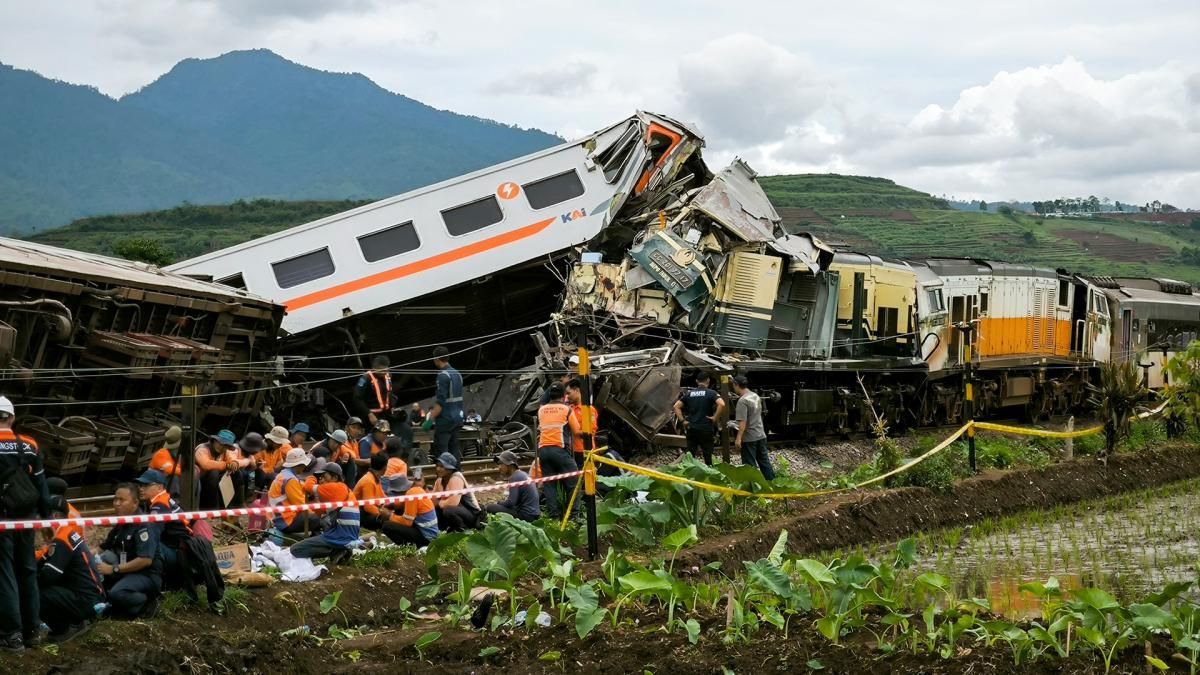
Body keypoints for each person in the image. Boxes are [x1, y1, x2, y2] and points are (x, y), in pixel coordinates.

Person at [0, 394, 51, 651]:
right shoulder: (29, 445)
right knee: (27, 569)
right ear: (12, 417)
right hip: (26, 517)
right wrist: (48, 522)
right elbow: (42, 487)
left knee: (4, 572)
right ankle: (32, 630)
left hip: (2, 519)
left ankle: (11, 634)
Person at [37, 495, 104, 643]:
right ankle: (73, 621)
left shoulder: (62, 538)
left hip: (87, 600)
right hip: (89, 596)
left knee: (37, 593)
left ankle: (65, 628)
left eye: (42, 515)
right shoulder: (66, 532)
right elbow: (44, 559)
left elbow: (49, 576)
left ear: (53, 516)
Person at [97, 484, 162, 619]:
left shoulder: (143, 525)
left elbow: (145, 560)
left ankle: (147, 603)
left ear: (135, 503)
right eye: (115, 499)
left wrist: (113, 569)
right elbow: (104, 546)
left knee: (116, 594)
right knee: (101, 564)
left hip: (145, 575)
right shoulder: (123, 521)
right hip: (126, 570)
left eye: (122, 500)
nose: (116, 504)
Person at [291, 463, 360, 563]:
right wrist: (312, 500)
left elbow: (308, 486)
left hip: (339, 535)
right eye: (320, 477)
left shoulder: (335, 487)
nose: (321, 480)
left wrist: (312, 476)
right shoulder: (343, 490)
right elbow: (321, 513)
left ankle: (336, 551)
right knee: (321, 522)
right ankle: (339, 550)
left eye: (324, 476)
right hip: (346, 534)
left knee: (295, 549)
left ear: (335, 477)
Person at [536, 382, 580, 519]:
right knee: (573, 482)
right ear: (563, 395)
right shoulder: (566, 409)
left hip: (543, 451)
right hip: (559, 450)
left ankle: (554, 517)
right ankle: (573, 516)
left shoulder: (541, 410)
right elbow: (577, 431)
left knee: (549, 486)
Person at [673, 373, 727, 466]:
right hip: (705, 428)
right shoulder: (711, 393)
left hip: (692, 428)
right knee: (707, 454)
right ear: (708, 381)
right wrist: (715, 417)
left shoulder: (689, 394)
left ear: (697, 381)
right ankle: (709, 473)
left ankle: (690, 475)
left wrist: (683, 421)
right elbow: (722, 404)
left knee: (690, 455)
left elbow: (676, 406)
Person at [423, 345, 465, 462]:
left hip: (446, 419)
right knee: (454, 450)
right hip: (457, 418)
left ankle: (444, 479)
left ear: (436, 359)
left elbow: (440, 402)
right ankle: (457, 474)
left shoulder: (443, 375)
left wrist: (429, 420)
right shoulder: (457, 374)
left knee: (442, 452)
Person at [267, 448, 322, 538]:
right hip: (286, 521)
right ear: (298, 465)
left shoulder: (283, 475)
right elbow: (301, 505)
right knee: (317, 519)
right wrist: (316, 513)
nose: (305, 467)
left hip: (278, 517)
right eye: (303, 465)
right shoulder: (291, 480)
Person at [733, 375, 775, 480]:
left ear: (737, 385)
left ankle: (753, 488)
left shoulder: (742, 401)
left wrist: (738, 438)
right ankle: (772, 484)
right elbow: (754, 415)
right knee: (764, 462)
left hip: (749, 438)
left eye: (734, 385)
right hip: (761, 435)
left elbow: (743, 422)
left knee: (749, 466)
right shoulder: (755, 396)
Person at [380, 472, 439, 547]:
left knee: (387, 526)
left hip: (427, 537)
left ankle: (407, 546)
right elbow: (402, 504)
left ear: (400, 491)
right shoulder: (414, 490)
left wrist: (389, 515)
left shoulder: (411, 494)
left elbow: (407, 522)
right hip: (428, 533)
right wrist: (392, 505)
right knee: (399, 511)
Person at [194, 429, 250, 509]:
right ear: (215, 440)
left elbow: (232, 460)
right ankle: (211, 509)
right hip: (199, 481)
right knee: (213, 473)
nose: (222, 447)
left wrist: (234, 463)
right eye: (220, 443)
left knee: (236, 473)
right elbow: (206, 464)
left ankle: (236, 505)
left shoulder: (225, 451)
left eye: (226, 446)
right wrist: (226, 465)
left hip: (214, 481)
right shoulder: (202, 449)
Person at [431, 453, 481, 532]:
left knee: (448, 510)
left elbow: (453, 503)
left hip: (471, 513)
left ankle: (463, 529)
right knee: (434, 510)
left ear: (450, 468)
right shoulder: (439, 480)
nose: (438, 469)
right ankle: (444, 528)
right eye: (437, 466)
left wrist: (439, 502)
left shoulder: (456, 478)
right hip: (458, 511)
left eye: (441, 466)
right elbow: (433, 500)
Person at [485, 451, 539, 522]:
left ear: (510, 465)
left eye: (501, 464)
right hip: (534, 514)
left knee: (490, 507)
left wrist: (499, 503)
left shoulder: (515, 477)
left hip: (526, 516)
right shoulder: (522, 474)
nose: (499, 467)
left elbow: (511, 502)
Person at [565, 379, 599, 469]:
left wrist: (576, 432)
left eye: (569, 393)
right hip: (571, 451)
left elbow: (591, 431)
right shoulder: (569, 409)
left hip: (585, 451)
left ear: (576, 390)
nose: (567, 396)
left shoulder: (589, 410)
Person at [353, 355, 393, 427]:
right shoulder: (365, 378)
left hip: (385, 415)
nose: (383, 372)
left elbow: (389, 392)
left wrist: (392, 406)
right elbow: (357, 398)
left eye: (385, 369)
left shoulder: (388, 375)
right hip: (371, 416)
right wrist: (369, 414)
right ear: (374, 368)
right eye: (381, 369)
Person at [147, 425, 184, 497]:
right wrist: (187, 471)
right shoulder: (160, 454)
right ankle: (174, 500)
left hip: (163, 483)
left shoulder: (176, 454)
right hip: (154, 485)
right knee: (174, 477)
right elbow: (171, 470)